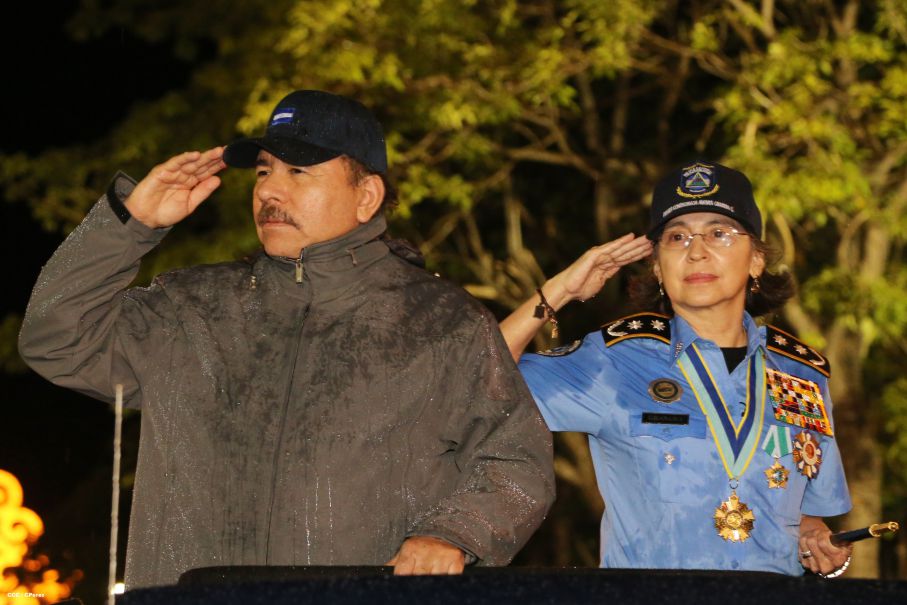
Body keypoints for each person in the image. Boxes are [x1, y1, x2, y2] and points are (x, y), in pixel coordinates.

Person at [19, 90, 554, 588]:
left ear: (366, 195)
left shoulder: (443, 323)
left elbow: (516, 460)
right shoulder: (189, 308)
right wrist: (131, 224)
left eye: (299, 171)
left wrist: (453, 534)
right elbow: (55, 337)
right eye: (263, 171)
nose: (270, 191)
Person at [500, 161, 852, 576]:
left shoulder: (802, 375)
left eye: (719, 233)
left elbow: (811, 512)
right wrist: (559, 291)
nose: (697, 250)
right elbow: (474, 380)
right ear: (656, 266)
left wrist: (813, 535)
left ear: (756, 260)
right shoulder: (614, 359)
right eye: (677, 237)